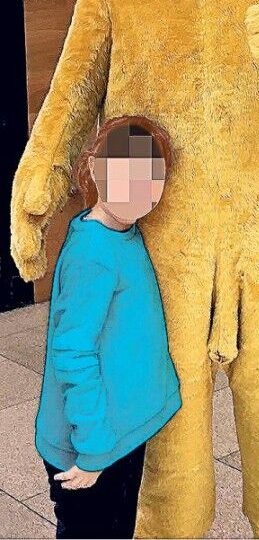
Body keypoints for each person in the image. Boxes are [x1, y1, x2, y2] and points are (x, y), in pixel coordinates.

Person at [35, 115, 181, 540]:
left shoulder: (123, 232)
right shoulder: (93, 253)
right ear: (96, 169)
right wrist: (94, 448)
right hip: (90, 445)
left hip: (116, 437)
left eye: (152, 177)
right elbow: (72, 352)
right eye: (126, 174)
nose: (141, 189)